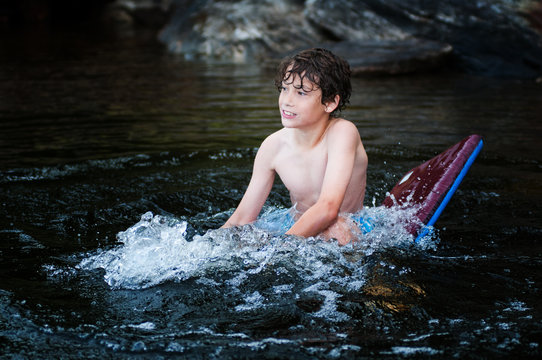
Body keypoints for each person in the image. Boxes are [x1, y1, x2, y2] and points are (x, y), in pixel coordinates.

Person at [222, 48, 368, 245]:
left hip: (352, 227)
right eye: (284, 89)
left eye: (301, 92)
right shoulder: (273, 146)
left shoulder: (342, 133)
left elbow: (328, 208)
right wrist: (208, 248)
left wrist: (281, 247)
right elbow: (242, 218)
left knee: (337, 228)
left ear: (330, 102)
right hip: (294, 229)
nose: (287, 101)